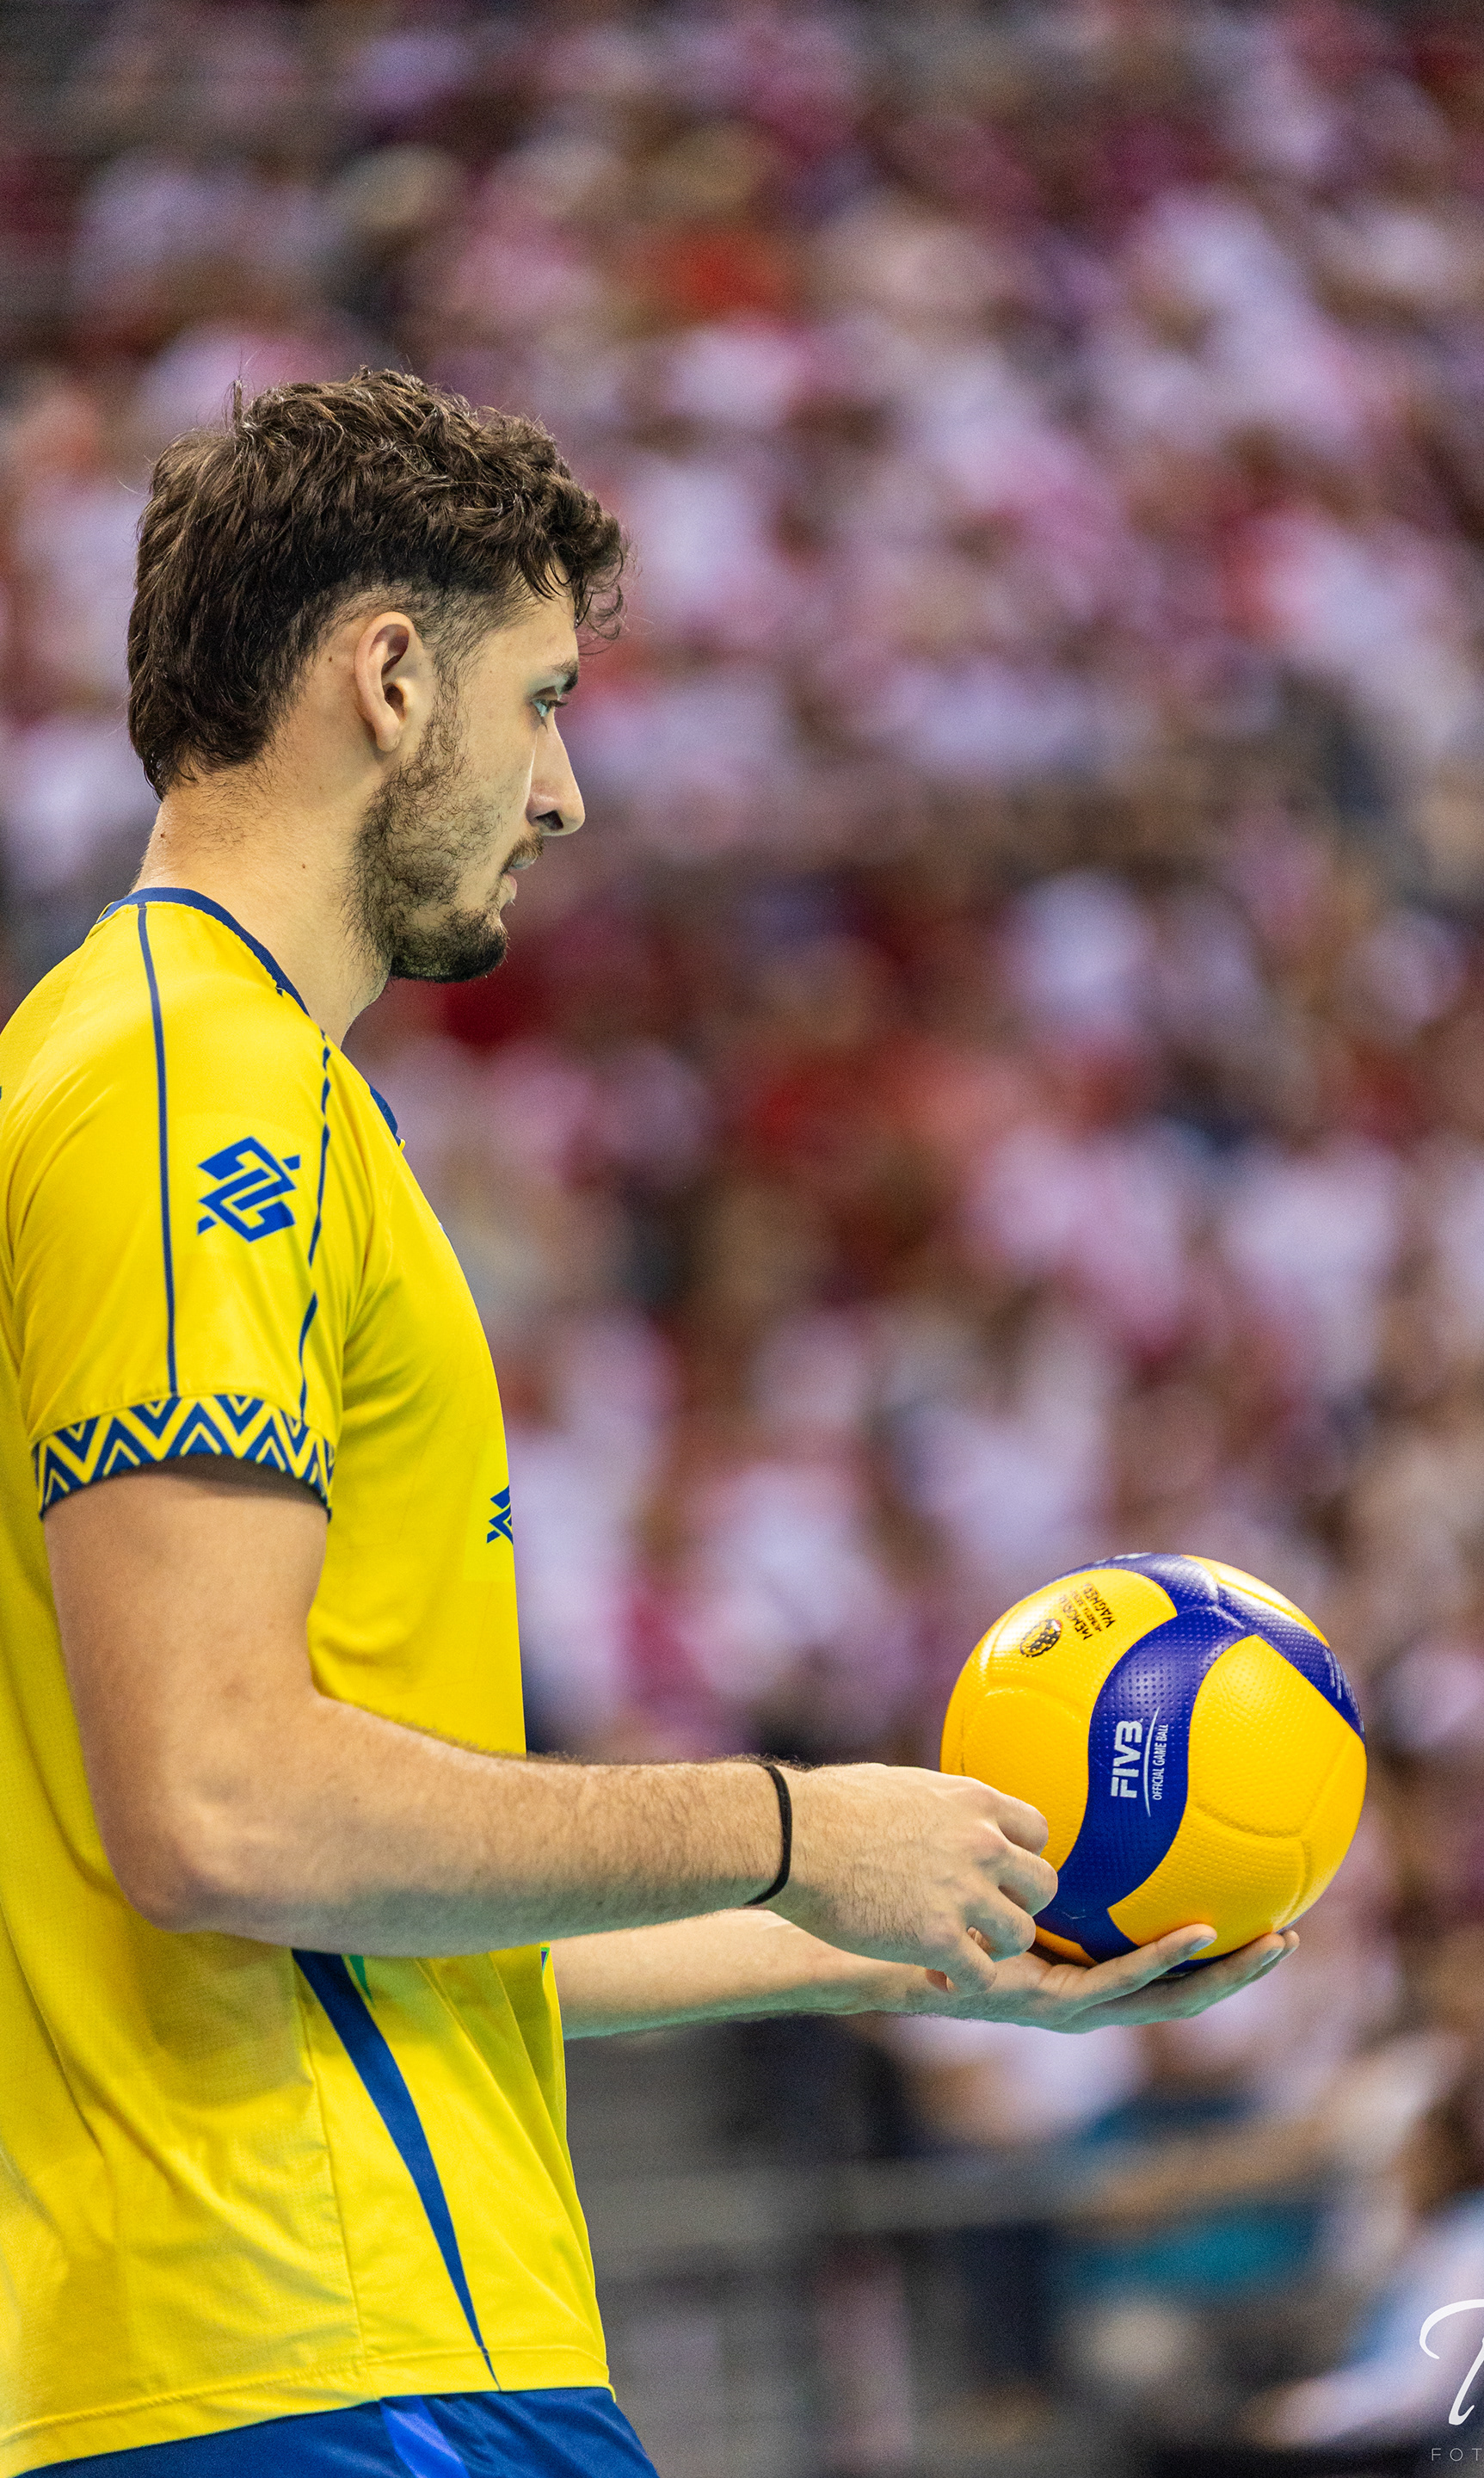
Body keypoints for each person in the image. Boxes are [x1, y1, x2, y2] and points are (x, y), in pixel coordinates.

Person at [0, 370, 1296, 2478]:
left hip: (338, 2342)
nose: (567, 792)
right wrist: (790, 1820)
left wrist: (903, 1942)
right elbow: (220, 1809)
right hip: (316, 2351)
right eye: (541, 701)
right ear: (389, 680)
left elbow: (371, 1906)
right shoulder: (188, 1083)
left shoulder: (190, 1079)